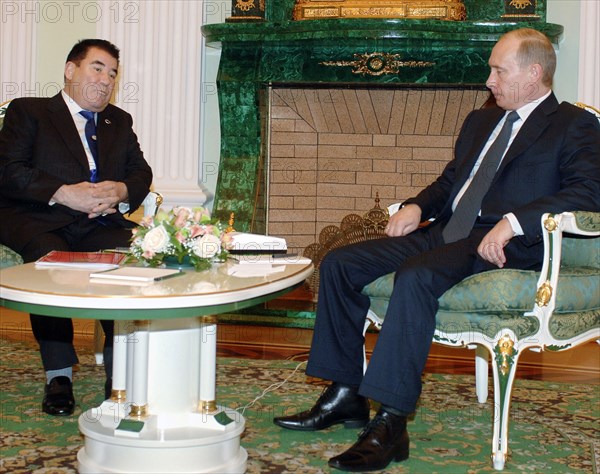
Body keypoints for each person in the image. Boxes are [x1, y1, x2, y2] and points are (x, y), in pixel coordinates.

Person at [273, 28, 600, 472]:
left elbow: (588, 191)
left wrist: (512, 223)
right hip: (446, 230)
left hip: (500, 243)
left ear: (534, 73)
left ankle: (391, 422)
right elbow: (451, 183)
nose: (489, 80)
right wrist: (416, 206)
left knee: (417, 276)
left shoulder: (573, 125)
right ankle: (346, 393)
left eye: (499, 70)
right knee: (340, 264)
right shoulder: (481, 121)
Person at [0, 39, 153, 416]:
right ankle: (59, 376)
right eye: (97, 68)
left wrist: (119, 190)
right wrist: (63, 193)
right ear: (71, 70)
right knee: (47, 264)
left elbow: (141, 172)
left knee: (132, 262)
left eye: (112, 74)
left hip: (100, 221)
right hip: (39, 217)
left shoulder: (119, 121)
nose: (105, 80)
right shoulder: (29, 111)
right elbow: (8, 170)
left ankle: (120, 373)